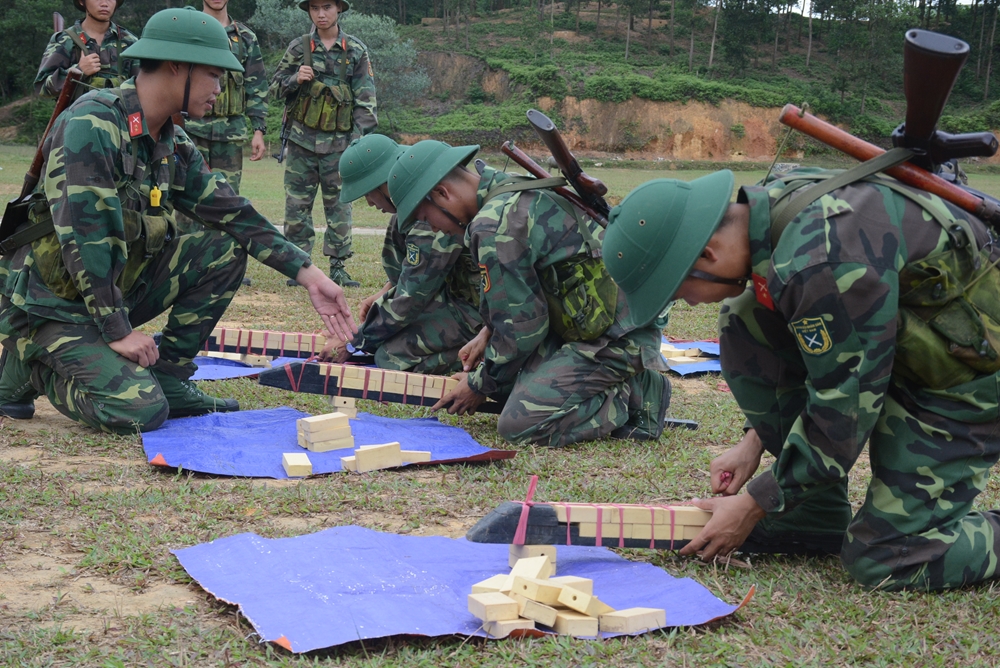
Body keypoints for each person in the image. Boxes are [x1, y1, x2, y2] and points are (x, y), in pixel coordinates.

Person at [603, 167, 1000, 591]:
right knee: (747, 315)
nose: (690, 302)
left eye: (680, 291)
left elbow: (843, 416)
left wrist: (754, 503)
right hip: (910, 352)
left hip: (967, 382)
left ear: (707, 255)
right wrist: (753, 441)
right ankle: (813, 514)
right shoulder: (775, 217)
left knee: (887, 558)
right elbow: (836, 362)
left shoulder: (819, 262)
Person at [0, 7, 356, 435]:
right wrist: (117, 330)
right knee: (140, 412)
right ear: (176, 67)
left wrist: (309, 274)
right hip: (51, 303)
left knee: (224, 250)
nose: (219, 89)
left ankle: (168, 375)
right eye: (214, 76)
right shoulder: (92, 122)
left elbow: (233, 212)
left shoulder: (169, 139)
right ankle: (31, 361)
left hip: (109, 292)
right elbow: (87, 237)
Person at [386, 140, 671, 447]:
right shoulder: (511, 188)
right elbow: (528, 292)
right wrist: (487, 334)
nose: (434, 229)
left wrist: (479, 384)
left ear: (443, 193)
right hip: (593, 320)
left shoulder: (493, 225)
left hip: (617, 336)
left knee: (519, 424)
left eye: (426, 218)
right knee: (505, 385)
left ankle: (633, 393)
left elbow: (521, 331)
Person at [332, 135, 484, 374]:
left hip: (479, 311)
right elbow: (411, 276)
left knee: (391, 356)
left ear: (384, 185)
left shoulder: (428, 216)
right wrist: (385, 292)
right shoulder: (410, 216)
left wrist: (354, 341)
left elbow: (411, 297)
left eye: (368, 193)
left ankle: (485, 359)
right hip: (460, 300)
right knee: (385, 337)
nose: (370, 203)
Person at [270, 0, 377, 288]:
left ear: (339, 8)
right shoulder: (299, 47)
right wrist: (295, 78)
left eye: (327, 6)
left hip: (340, 146)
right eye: (314, 7)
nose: (321, 14)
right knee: (297, 206)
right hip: (301, 143)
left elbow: (366, 100)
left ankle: (338, 267)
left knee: (340, 206)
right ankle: (298, 266)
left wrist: (359, 143)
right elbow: (274, 88)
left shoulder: (355, 50)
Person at [181, 0, 268, 202]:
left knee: (226, 202)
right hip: (191, 130)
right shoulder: (188, 30)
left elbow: (256, 86)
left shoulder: (245, 38)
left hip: (230, 135)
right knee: (187, 200)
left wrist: (258, 130)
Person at [35, 0, 138, 101]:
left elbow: (143, 87)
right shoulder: (66, 40)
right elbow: (42, 88)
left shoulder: (130, 42)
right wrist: (78, 71)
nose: (104, 4)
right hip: (76, 112)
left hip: (120, 112)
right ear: (81, 1)